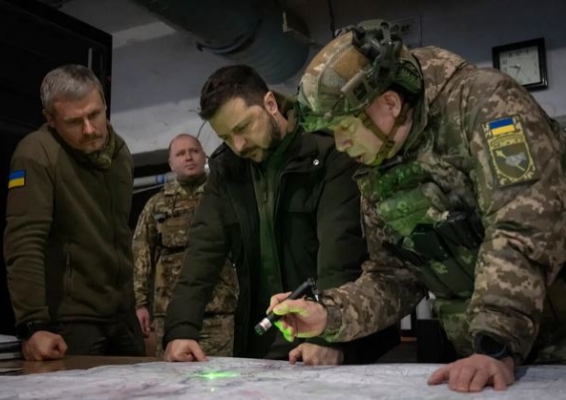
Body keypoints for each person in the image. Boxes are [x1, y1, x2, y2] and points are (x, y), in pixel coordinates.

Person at [268, 19, 566, 392]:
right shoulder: (378, 162)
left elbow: (523, 221)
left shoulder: (484, 103)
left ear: (389, 103)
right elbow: (394, 276)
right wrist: (329, 314)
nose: (340, 146)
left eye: (345, 128)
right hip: (484, 357)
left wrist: (495, 341)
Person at [163, 64, 400, 365]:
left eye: (243, 128)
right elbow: (202, 250)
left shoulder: (327, 150)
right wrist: (181, 329)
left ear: (270, 104)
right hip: (265, 339)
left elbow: (340, 249)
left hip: (340, 336)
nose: (238, 145)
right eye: (226, 137)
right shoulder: (228, 170)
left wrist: (326, 334)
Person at [4, 64, 145, 361]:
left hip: (123, 317)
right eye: (74, 121)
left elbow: (120, 233)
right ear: (51, 120)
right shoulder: (36, 153)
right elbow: (24, 241)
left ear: (105, 104)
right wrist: (32, 325)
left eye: (94, 114)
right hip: (71, 322)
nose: (89, 129)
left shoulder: (121, 154)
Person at [132, 133, 238, 357]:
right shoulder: (157, 204)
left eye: (194, 151)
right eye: (181, 154)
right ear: (171, 163)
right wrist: (140, 303)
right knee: (175, 382)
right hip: (170, 313)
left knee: (224, 381)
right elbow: (141, 254)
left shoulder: (224, 197)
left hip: (219, 311)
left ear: (204, 156)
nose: (188, 157)